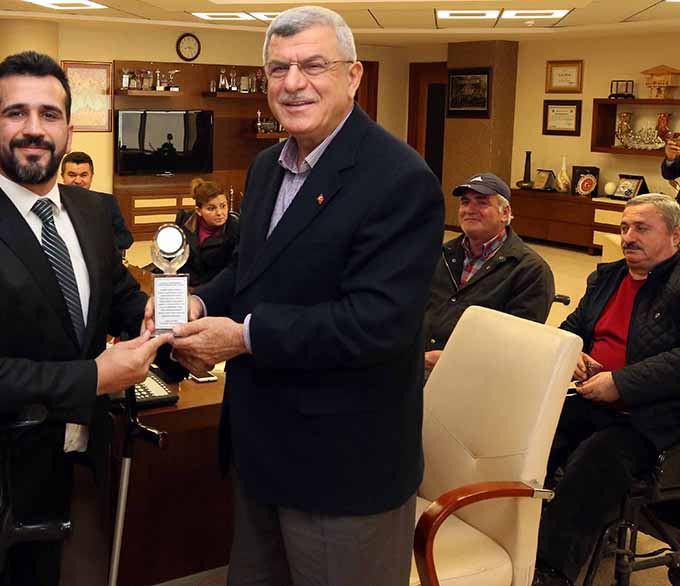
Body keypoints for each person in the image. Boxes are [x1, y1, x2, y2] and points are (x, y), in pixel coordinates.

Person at [150, 6, 444, 584]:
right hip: (262, 453)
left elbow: (375, 323)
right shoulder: (267, 168)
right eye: (278, 69)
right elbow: (249, 270)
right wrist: (198, 302)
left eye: (313, 65)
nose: (293, 83)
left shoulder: (399, 179)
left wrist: (244, 337)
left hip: (343, 470)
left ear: (353, 76)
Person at [0, 51, 175, 586]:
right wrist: (95, 376)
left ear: (69, 130)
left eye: (49, 114)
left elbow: (118, 297)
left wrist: (165, 310)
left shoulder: (93, 211)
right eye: (16, 113)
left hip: (77, 465)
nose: (34, 129)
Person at [533, 193, 680, 586]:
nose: (628, 237)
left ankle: (549, 570)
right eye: (625, 227)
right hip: (589, 397)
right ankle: (506, 530)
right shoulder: (607, 278)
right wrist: (573, 351)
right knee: (531, 435)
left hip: (649, 417)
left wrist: (621, 383)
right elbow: (571, 328)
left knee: (594, 461)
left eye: (642, 228)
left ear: (676, 236)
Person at [423, 172, 554, 373]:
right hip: (417, 365)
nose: (469, 209)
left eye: (482, 202)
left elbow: (519, 345)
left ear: (505, 213)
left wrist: (458, 359)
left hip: (478, 376)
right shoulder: (440, 255)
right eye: (465, 202)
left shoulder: (529, 271)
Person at [59, 151, 133, 252]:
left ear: (91, 177)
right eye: (72, 175)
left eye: (83, 175)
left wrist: (96, 244)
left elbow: (126, 238)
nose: (78, 180)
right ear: (63, 176)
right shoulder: (52, 204)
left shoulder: (107, 202)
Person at [174, 178, 239, 287]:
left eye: (223, 206)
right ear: (198, 211)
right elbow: (173, 258)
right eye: (211, 208)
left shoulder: (235, 229)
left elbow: (234, 269)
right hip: (185, 284)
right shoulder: (185, 221)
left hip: (217, 287)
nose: (220, 213)